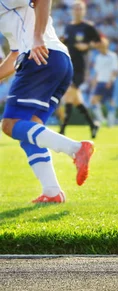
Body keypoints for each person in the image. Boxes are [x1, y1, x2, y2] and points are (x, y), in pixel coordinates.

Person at [0, 0, 95, 203]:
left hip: (40, 56)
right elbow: (15, 54)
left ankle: (76, 149)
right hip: (55, 59)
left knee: (10, 125)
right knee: (31, 129)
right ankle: (52, 192)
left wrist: (36, 38)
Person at [59, 1, 101, 138]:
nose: (77, 11)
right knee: (76, 100)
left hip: (81, 68)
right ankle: (93, 125)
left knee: (69, 96)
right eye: (75, 8)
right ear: (72, 11)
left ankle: (62, 130)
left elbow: (100, 42)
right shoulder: (68, 27)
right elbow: (67, 41)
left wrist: (87, 46)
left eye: (80, 9)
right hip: (68, 66)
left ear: (84, 11)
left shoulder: (88, 27)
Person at [91, 37, 118, 127]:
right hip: (100, 82)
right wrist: (94, 81)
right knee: (94, 101)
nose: (100, 48)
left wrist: (110, 81)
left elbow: (115, 70)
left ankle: (111, 122)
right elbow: (97, 71)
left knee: (110, 101)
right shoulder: (98, 57)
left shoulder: (113, 56)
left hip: (108, 82)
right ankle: (102, 120)